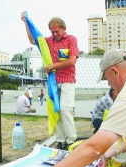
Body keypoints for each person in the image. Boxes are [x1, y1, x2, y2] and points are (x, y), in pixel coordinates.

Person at [21, 14, 79, 150]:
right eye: (52, 32)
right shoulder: (49, 41)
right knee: (56, 110)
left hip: (67, 81)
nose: (54, 34)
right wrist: (26, 23)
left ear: (64, 28)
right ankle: (60, 139)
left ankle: (71, 140)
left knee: (66, 109)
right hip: (53, 82)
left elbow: (72, 61)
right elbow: (32, 40)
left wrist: (52, 66)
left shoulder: (71, 39)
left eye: (56, 31)